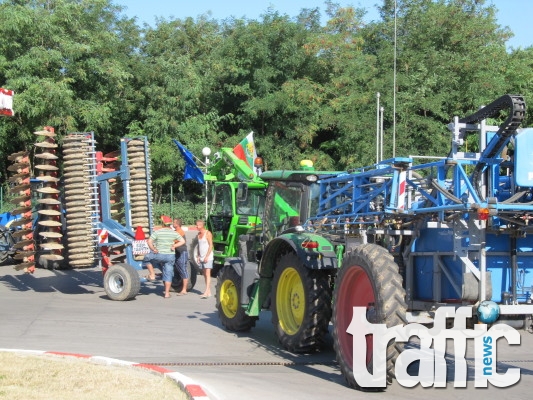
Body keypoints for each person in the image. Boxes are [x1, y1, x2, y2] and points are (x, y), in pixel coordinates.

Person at [144, 225, 185, 298]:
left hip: (160, 255)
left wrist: (153, 249)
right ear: (170, 225)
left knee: (147, 258)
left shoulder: (158, 232)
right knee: (168, 274)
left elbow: (149, 241)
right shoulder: (173, 233)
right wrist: (174, 246)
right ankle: (166, 293)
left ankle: (152, 274)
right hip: (170, 256)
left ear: (162, 225)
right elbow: (182, 241)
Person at [195, 219, 213, 298]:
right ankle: (208, 291)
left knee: (207, 274)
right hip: (201, 257)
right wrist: (198, 255)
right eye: (196, 225)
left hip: (208, 257)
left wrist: (207, 256)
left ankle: (206, 291)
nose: (196, 226)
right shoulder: (198, 234)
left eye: (198, 225)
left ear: (202, 225)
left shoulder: (207, 233)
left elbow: (211, 245)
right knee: (204, 274)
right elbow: (199, 246)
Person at [173, 218, 189, 295]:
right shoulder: (176, 232)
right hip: (178, 252)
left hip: (182, 252)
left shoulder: (180, 232)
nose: (173, 223)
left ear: (177, 224)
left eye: (174, 222)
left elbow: (174, 240)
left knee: (183, 269)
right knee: (178, 268)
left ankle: (184, 289)